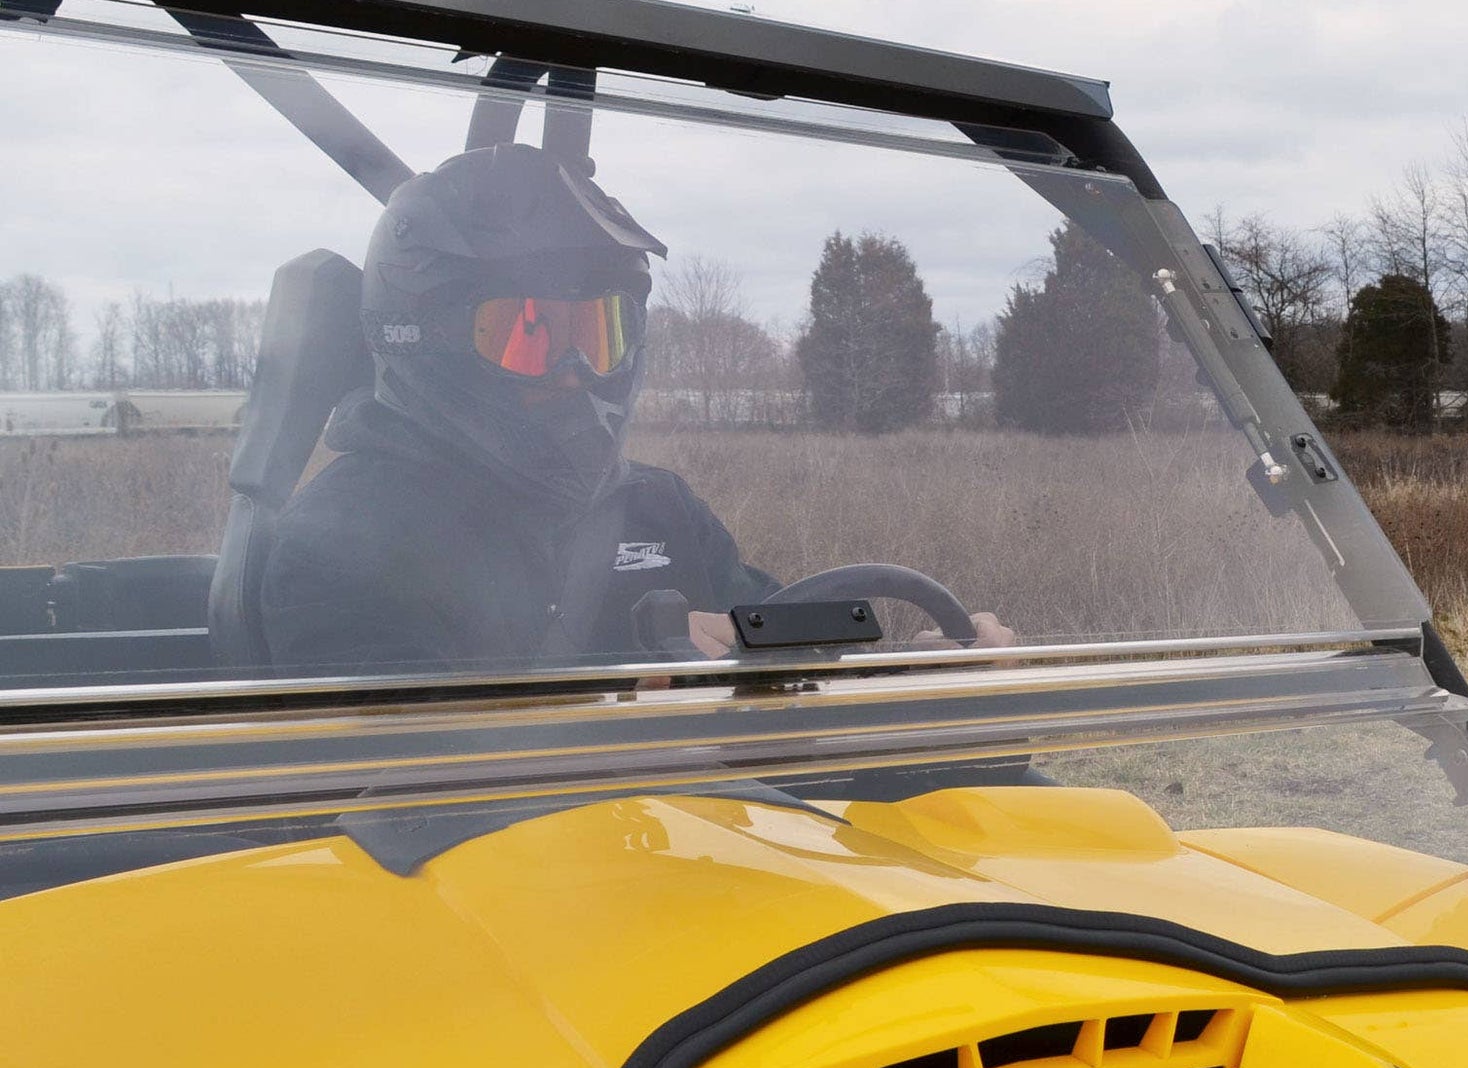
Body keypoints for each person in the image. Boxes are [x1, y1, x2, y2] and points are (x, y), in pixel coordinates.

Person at [261, 143, 1013, 674]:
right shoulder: (343, 541)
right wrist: (637, 678)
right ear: (427, 338)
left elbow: (776, 637)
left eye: (600, 333)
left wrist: (914, 682)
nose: (574, 372)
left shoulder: (655, 507)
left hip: (701, 851)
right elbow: (405, 796)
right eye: (529, 334)